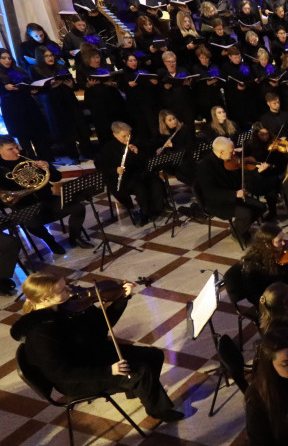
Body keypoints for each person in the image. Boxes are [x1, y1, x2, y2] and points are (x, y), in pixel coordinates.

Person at [11, 272, 183, 423]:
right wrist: (110, 371)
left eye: (66, 286)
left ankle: (138, 391)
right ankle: (159, 411)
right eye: (63, 290)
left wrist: (123, 298)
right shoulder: (41, 333)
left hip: (91, 354)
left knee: (153, 355)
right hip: (78, 378)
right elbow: (61, 372)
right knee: (140, 372)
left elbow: (101, 324)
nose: (70, 291)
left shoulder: (67, 309)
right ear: (45, 299)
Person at [0, 138, 90, 253]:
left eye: (16, 147)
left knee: (79, 208)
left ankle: (75, 237)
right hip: (25, 206)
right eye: (10, 149)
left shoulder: (30, 158)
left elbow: (57, 177)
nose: (16, 151)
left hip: (47, 199)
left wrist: (48, 167)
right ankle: (51, 242)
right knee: (32, 225)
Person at [194, 136, 267, 245]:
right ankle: (239, 234)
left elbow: (241, 179)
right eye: (231, 151)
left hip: (233, 196)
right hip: (217, 202)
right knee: (246, 213)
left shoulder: (230, 160)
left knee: (261, 207)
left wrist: (257, 173)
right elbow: (210, 192)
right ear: (221, 152)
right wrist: (235, 194)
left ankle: (238, 229)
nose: (234, 153)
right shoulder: (205, 166)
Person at [96, 122, 164, 226]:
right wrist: (116, 170)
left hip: (137, 174)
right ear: (115, 135)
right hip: (122, 180)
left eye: (129, 135)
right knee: (140, 188)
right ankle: (145, 212)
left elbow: (145, 162)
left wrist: (137, 153)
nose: (127, 138)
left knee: (157, 181)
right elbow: (103, 169)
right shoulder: (108, 149)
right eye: (124, 136)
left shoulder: (134, 144)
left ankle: (157, 209)